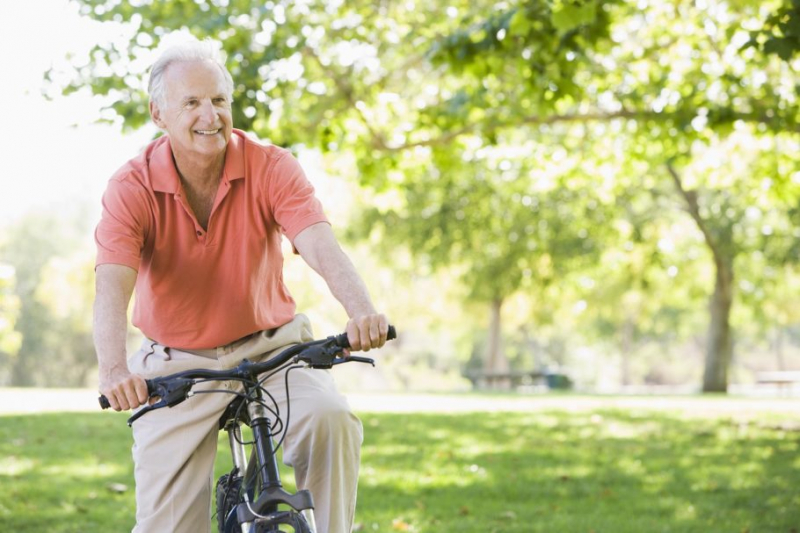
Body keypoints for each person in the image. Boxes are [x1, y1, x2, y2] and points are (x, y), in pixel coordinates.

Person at [93, 36, 389, 533]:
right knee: (166, 526)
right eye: (191, 102)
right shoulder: (131, 187)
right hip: (177, 361)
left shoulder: (271, 165)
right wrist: (114, 369)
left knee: (332, 420)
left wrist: (361, 310)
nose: (210, 115)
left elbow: (319, 243)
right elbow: (111, 285)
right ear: (159, 114)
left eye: (219, 100)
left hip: (273, 348)